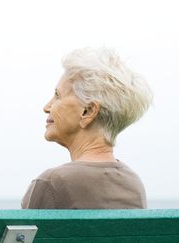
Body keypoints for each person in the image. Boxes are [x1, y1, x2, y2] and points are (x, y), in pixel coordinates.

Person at [22, 47, 153, 209]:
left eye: (57, 95)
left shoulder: (52, 184)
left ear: (88, 112)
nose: (47, 107)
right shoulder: (133, 184)